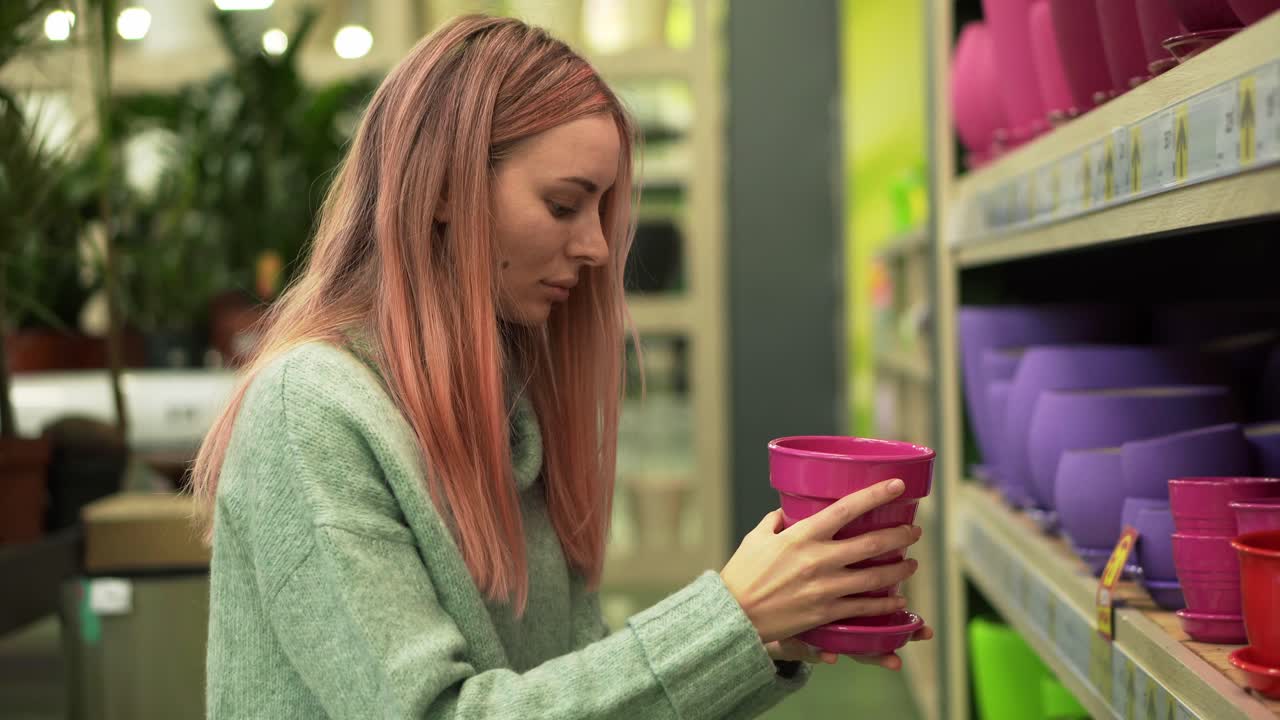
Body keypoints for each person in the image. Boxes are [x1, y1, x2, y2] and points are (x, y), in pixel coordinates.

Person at [192, 14, 930, 719]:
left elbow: (573, 682)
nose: (598, 248)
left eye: (601, 209)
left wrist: (767, 638)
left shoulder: (509, 411)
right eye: (564, 204)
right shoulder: (310, 415)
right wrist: (730, 615)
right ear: (445, 189)